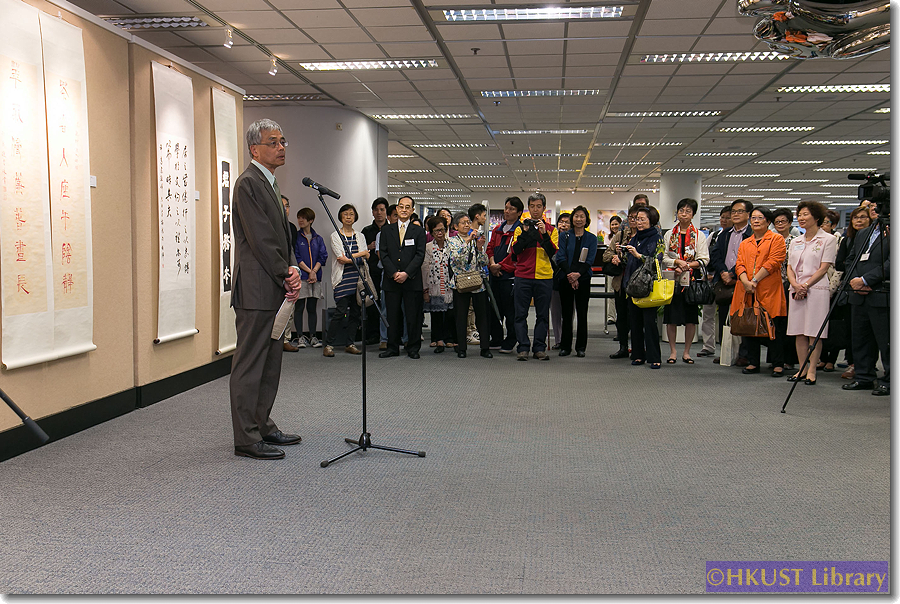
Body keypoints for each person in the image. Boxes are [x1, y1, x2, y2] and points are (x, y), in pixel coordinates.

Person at [229, 118, 302, 460]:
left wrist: (289, 266)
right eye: (274, 142)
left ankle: (263, 425)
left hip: (273, 284)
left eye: (283, 140)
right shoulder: (248, 183)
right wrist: (284, 271)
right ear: (254, 148)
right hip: (257, 289)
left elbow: (282, 235)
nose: (281, 146)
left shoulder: (269, 182)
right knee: (250, 364)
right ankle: (246, 437)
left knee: (271, 361)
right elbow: (260, 237)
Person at [499, 192, 559, 361]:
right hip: (523, 276)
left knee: (542, 315)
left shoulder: (552, 230)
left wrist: (543, 233)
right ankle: (523, 347)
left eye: (538, 206)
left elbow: (552, 252)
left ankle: (539, 348)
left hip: (544, 276)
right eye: (532, 206)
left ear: (544, 209)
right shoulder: (520, 228)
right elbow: (515, 252)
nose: (535, 210)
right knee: (520, 314)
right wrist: (525, 233)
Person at [730, 206, 787, 376]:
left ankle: (778, 364)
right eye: (753, 218)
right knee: (749, 324)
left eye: (760, 218)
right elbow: (739, 263)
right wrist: (746, 281)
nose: (755, 221)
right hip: (746, 289)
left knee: (772, 326)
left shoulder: (776, 239)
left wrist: (755, 280)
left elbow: (774, 261)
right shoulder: (745, 242)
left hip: (768, 289)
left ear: (768, 221)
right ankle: (753, 362)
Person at [785, 201, 837, 384]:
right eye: (799, 214)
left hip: (816, 289)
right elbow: (789, 267)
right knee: (799, 331)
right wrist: (795, 284)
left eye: (805, 214)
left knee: (814, 332)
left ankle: (812, 371)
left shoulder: (828, 240)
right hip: (796, 289)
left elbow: (824, 268)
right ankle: (801, 369)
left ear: (816, 217)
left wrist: (805, 285)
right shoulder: (795, 241)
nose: (801, 218)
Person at [842, 201, 890, 396]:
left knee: (886, 341)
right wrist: (854, 280)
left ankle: (889, 380)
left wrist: (865, 279)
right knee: (860, 338)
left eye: (878, 206)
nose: (874, 209)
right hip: (858, 293)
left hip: (881, 292)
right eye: (871, 206)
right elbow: (850, 258)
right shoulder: (864, 232)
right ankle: (864, 377)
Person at [661, 198, 709, 364]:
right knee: (671, 318)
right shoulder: (669, 234)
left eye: (688, 211)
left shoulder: (699, 235)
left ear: (693, 214)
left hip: (691, 281)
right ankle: (673, 351)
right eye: (681, 210)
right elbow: (665, 257)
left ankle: (687, 352)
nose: (684, 214)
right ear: (677, 213)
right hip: (673, 281)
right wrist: (677, 263)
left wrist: (687, 265)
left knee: (690, 318)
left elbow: (704, 259)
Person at [379, 196, 426, 359]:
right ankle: (392, 347)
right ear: (396, 210)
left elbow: (420, 255)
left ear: (412, 210)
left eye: (408, 207)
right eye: (401, 207)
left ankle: (413, 347)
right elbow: (383, 254)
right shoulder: (386, 230)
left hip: (411, 279)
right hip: (391, 280)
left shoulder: (419, 231)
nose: (404, 210)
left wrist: (406, 273)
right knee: (392, 315)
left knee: (413, 315)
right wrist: (394, 273)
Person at [708, 199, 754, 366]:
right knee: (724, 318)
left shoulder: (752, 234)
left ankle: (744, 354)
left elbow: (750, 259)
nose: (735, 214)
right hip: (725, 282)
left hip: (744, 282)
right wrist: (723, 273)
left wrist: (734, 273)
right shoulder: (725, 234)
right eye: (733, 211)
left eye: (739, 211)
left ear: (748, 215)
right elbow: (716, 255)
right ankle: (726, 352)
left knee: (744, 318)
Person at [831, 206, 871, 380]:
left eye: (863, 217)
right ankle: (856, 366)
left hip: (872, 287)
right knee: (854, 331)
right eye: (855, 218)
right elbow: (844, 262)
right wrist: (855, 279)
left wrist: (865, 280)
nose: (859, 221)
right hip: (852, 287)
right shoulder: (849, 239)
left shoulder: (879, 238)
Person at [621, 205, 664, 368]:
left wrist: (639, 255)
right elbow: (629, 261)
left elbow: (657, 262)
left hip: (648, 286)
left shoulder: (657, 238)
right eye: (636, 219)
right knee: (635, 322)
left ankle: (654, 357)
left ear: (651, 220)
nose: (638, 222)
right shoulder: (634, 237)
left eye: (642, 219)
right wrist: (623, 254)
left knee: (649, 322)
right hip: (633, 285)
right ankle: (638, 354)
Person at [323, 204, 368, 358]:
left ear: (355, 217)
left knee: (356, 313)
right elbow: (340, 258)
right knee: (340, 312)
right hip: (342, 279)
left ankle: (350, 343)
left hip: (357, 279)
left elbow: (365, 257)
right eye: (345, 214)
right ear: (340, 217)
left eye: (351, 214)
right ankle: (328, 344)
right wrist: (359, 255)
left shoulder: (360, 236)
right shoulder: (335, 235)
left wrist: (351, 258)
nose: (348, 217)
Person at [448, 212, 492, 359]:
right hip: (460, 282)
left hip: (477, 282)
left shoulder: (475, 240)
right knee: (461, 316)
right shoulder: (452, 241)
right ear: (455, 226)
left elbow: (484, 261)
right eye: (463, 223)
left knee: (482, 316)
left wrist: (479, 247)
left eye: (468, 222)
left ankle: (485, 347)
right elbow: (456, 259)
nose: (467, 225)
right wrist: (467, 241)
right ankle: (461, 347)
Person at [556, 206, 597, 357]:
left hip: (584, 278)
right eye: (576, 216)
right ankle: (565, 346)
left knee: (582, 313)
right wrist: (570, 275)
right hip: (565, 278)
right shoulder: (565, 236)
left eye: (582, 217)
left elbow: (590, 260)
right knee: (566, 314)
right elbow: (560, 257)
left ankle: (581, 347)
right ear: (572, 219)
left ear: (586, 220)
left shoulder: (591, 238)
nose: (579, 219)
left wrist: (578, 275)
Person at [487, 196, 523, 353]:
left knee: (510, 311)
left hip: (510, 277)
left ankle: (511, 340)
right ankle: (496, 338)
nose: (507, 211)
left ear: (519, 212)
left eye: (511, 209)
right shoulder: (497, 229)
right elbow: (490, 248)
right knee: (494, 309)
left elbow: (516, 254)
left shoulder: (520, 230)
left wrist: (500, 266)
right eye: (506, 207)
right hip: (494, 275)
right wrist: (492, 264)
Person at [698, 207, 732, 357]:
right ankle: (708, 345)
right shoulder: (714, 235)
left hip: (728, 281)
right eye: (722, 217)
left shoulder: (735, 237)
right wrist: (706, 274)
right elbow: (705, 257)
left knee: (727, 317)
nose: (724, 220)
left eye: (727, 217)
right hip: (711, 281)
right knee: (708, 314)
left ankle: (727, 349)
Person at [293, 207, 327, 349]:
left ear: (311, 220)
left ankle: (313, 336)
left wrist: (314, 272)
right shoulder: (296, 237)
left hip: (315, 277)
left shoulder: (318, 239)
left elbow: (322, 256)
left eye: (304, 218)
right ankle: (300, 336)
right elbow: (296, 257)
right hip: (301, 276)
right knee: (299, 307)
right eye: (299, 217)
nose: (300, 220)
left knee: (312, 307)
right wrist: (309, 271)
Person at [422, 215, 454, 353]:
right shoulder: (428, 248)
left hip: (450, 286)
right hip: (434, 286)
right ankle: (438, 339)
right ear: (432, 233)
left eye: (442, 230)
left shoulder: (452, 245)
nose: (440, 233)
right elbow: (424, 269)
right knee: (436, 314)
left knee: (450, 313)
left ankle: (449, 338)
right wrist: (425, 290)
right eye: (436, 231)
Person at [772, 208, 798, 371]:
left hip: (790, 285)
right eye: (777, 222)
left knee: (788, 325)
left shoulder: (796, 241)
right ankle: (775, 359)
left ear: (789, 223)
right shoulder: (771, 240)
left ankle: (789, 359)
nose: (780, 224)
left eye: (783, 221)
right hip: (773, 286)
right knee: (775, 325)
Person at [361, 197, 388, 345]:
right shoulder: (366, 231)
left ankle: (388, 334)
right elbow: (359, 251)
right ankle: (373, 334)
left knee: (388, 305)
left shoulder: (391, 229)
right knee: (372, 304)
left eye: (382, 210)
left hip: (388, 272)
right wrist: (369, 247)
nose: (379, 213)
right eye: (376, 210)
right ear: (372, 212)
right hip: (371, 272)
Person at [280, 194, 301, 352]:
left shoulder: (291, 227)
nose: (284, 209)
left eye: (287, 206)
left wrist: (294, 269)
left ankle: (286, 339)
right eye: (281, 205)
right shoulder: (268, 225)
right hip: (274, 273)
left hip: (290, 272)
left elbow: (291, 251)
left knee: (289, 309)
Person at [550, 212, 571, 350]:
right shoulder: (552, 237)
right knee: (555, 311)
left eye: (567, 222)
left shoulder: (574, 239)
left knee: (569, 312)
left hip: (570, 278)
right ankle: (558, 339)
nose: (563, 225)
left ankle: (566, 338)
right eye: (561, 222)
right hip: (554, 278)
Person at [605, 215, 622, 327]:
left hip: (621, 267)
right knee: (610, 291)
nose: (614, 226)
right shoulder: (608, 237)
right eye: (612, 224)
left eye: (616, 224)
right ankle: (611, 316)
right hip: (612, 266)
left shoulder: (624, 236)